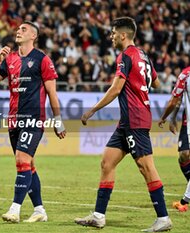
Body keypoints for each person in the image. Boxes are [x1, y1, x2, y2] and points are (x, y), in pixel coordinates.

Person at [75, 17, 172, 232]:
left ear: (123, 35)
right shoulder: (143, 55)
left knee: (146, 167)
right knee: (107, 163)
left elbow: (116, 89)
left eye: (112, 33)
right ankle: (99, 216)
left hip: (135, 119)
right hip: (127, 121)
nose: (111, 37)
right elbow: (155, 82)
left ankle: (164, 218)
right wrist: (140, 84)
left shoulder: (125, 55)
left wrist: (92, 110)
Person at [0, 21, 66, 223]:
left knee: (22, 160)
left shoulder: (42, 59)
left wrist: (58, 120)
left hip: (34, 118)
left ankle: (15, 209)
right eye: (18, 29)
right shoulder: (11, 58)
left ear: (33, 36)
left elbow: (52, 93)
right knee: (28, 165)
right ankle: (39, 210)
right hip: (14, 119)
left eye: (23, 29)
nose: (18, 31)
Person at [158, 65, 190, 212]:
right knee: (184, 156)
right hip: (187, 122)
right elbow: (176, 100)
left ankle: (185, 200)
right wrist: (170, 118)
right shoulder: (185, 75)